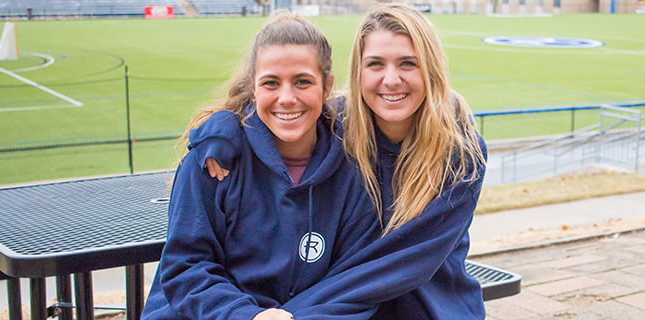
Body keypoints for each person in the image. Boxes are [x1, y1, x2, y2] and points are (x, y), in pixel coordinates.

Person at [193, 4, 489, 319]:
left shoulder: (459, 155)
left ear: (431, 70)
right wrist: (220, 130)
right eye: (375, 64)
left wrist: (289, 315)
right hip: (346, 311)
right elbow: (271, 106)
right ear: (358, 72)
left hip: (430, 307)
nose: (391, 79)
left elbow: (386, 269)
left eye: (408, 63)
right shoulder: (339, 127)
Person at [141, 11, 377, 320]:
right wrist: (246, 315)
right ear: (253, 87)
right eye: (271, 83)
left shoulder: (354, 167)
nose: (287, 97)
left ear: (327, 85)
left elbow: (353, 283)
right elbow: (185, 267)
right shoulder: (214, 159)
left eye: (302, 82)